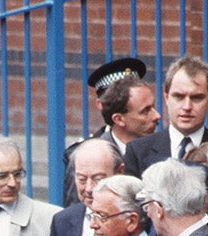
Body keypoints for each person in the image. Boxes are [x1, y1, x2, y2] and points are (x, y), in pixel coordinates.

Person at [62, 57, 149, 205]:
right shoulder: (82, 153)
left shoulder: (158, 147)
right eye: (116, 99)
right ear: (102, 105)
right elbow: (75, 212)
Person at [122, 55, 208, 177]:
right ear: (166, 97)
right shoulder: (138, 151)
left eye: (196, 97)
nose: (187, 106)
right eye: (179, 96)